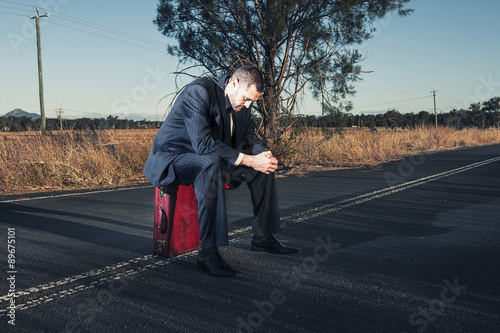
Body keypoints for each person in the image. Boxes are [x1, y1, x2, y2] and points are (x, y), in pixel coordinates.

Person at [143, 65, 299, 277]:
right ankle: (208, 252)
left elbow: (249, 136)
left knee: (264, 167)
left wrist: (262, 157)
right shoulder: (198, 92)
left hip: (209, 156)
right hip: (173, 156)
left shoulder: (242, 101)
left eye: (253, 101)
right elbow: (202, 144)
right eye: (246, 99)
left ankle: (263, 237)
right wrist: (249, 160)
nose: (249, 104)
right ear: (233, 84)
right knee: (211, 164)